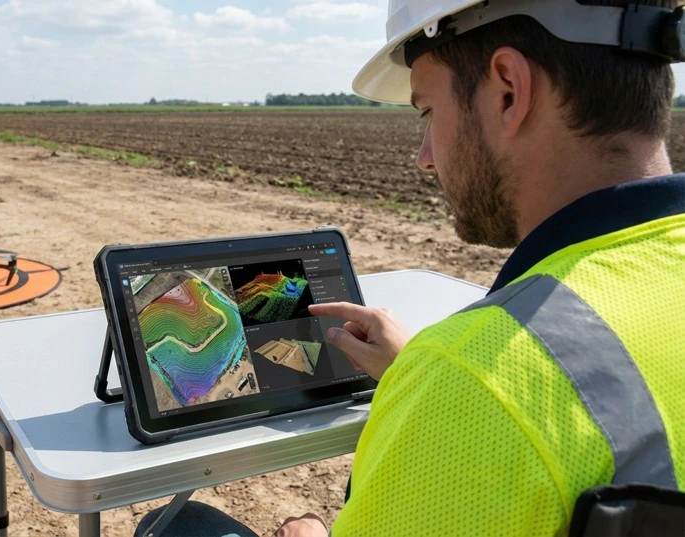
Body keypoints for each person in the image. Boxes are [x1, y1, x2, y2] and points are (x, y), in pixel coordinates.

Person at [136, 0, 685, 535]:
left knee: (176, 523)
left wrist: (440, 379)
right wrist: (415, 371)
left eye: (428, 111)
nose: (424, 155)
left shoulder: (475, 379)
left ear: (509, 91)